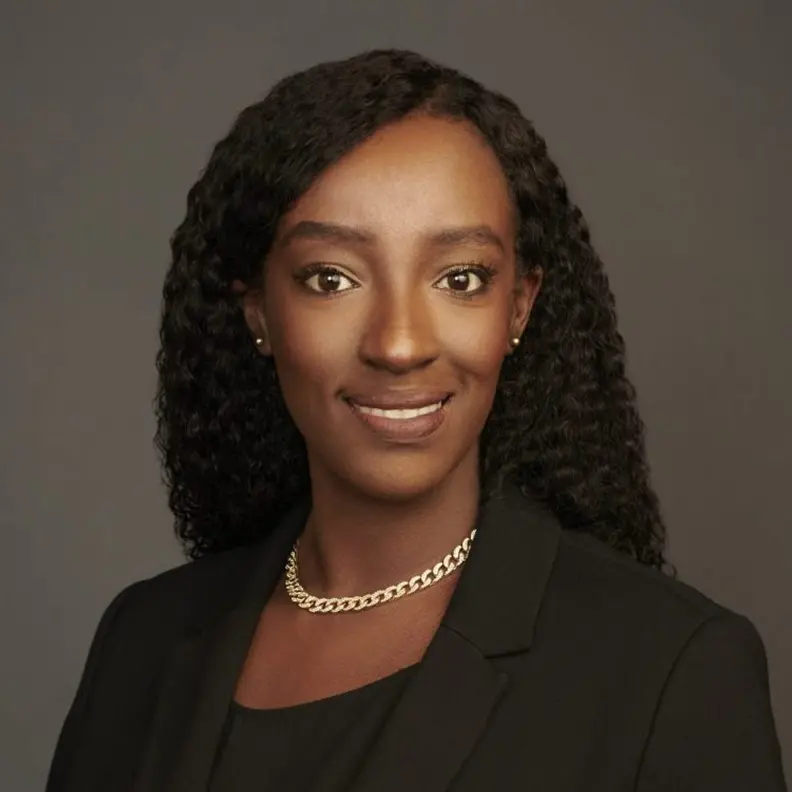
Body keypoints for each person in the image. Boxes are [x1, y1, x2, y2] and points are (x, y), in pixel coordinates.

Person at [45, 49, 787, 792]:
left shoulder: (671, 669)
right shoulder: (142, 641)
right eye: (331, 278)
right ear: (258, 312)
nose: (399, 344)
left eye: (460, 278)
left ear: (518, 308)